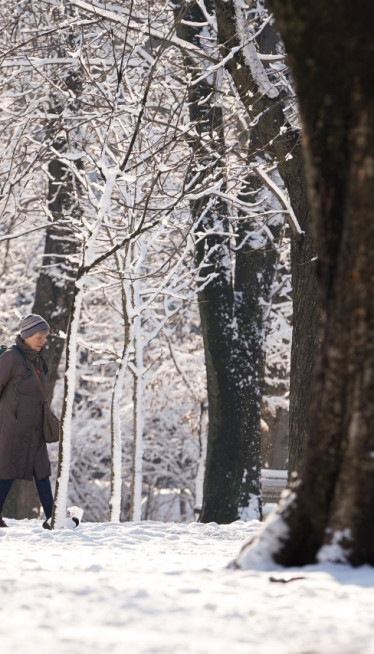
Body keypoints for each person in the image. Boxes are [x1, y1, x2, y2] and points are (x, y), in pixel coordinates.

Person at [0, 314, 54, 528]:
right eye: (38, 336)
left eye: (44, 337)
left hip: (34, 428)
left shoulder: (38, 360)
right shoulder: (11, 358)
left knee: (41, 469)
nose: (42, 341)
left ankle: (53, 517)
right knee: (6, 471)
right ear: (27, 335)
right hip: (12, 429)